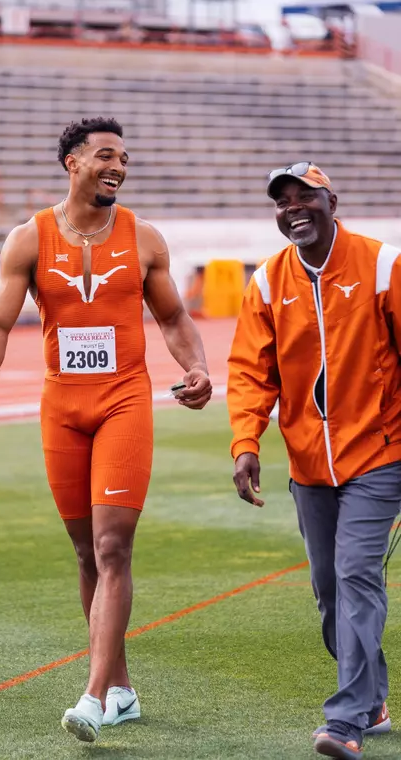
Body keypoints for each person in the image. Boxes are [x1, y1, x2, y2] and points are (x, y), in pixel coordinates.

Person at [0, 117, 212, 743]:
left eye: (124, 158)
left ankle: (95, 695)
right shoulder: (30, 238)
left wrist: (198, 367)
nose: (117, 166)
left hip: (125, 400)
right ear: (73, 163)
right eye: (105, 156)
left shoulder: (144, 238)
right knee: (84, 553)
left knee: (111, 547)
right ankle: (122, 687)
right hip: (62, 407)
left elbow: (175, 316)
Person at [227, 162, 401, 760]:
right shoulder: (268, 281)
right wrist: (246, 442)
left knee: (356, 577)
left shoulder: (382, 265)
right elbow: (252, 370)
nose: (293, 208)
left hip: (379, 454)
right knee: (329, 591)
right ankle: (374, 698)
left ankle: (346, 720)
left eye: (306, 197)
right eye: (283, 201)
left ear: (333, 201)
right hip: (308, 463)